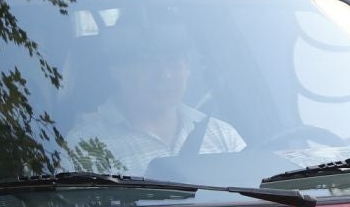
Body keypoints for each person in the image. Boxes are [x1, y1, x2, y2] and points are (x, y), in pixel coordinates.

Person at [66, 33, 245, 176]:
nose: (164, 75)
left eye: (175, 61)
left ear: (188, 68)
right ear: (117, 70)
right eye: (147, 62)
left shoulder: (223, 135)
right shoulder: (86, 146)